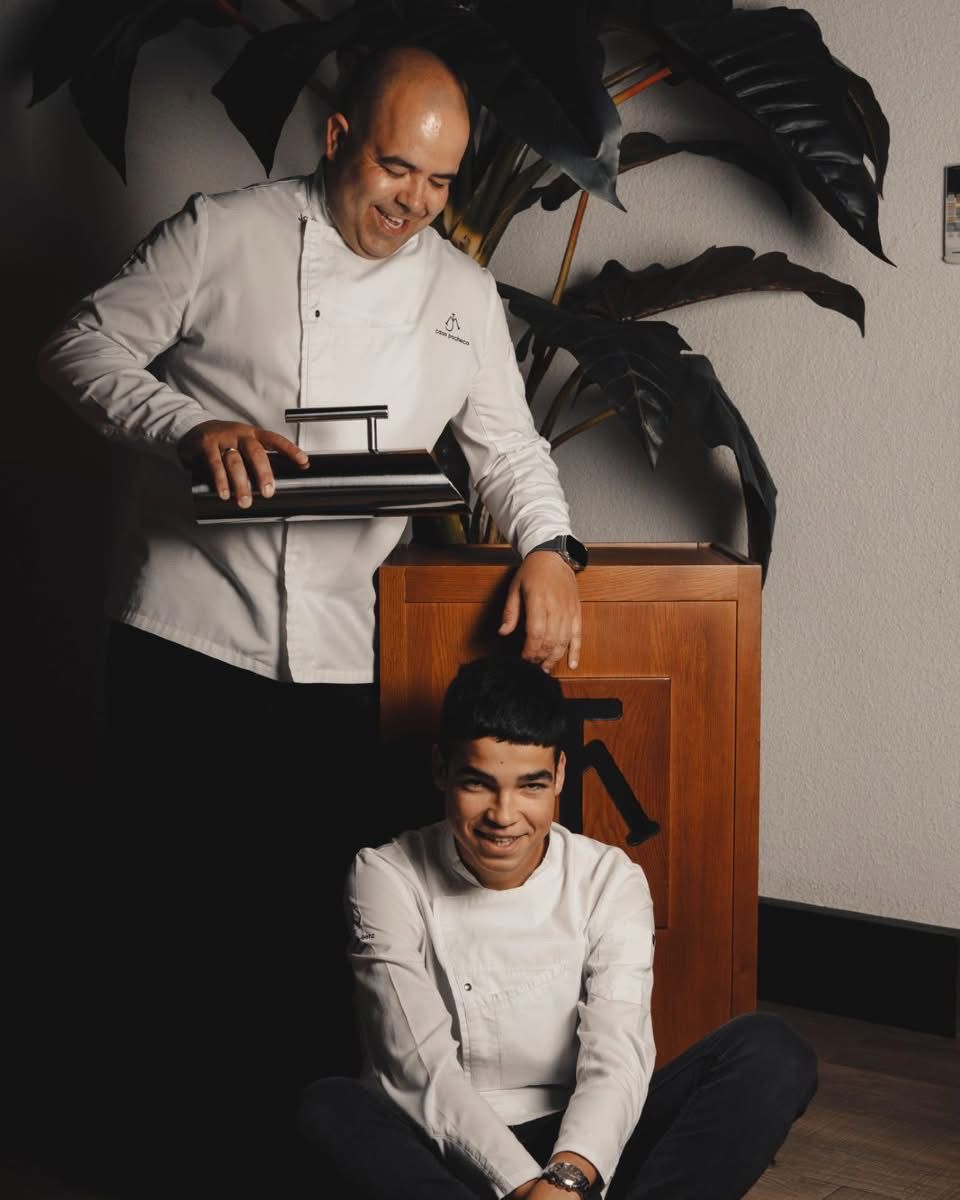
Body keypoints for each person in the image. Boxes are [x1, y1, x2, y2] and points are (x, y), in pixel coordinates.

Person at [36, 44, 587, 1191]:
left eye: (439, 181)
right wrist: (185, 426)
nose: (415, 202)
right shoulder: (221, 231)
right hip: (191, 639)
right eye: (395, 168)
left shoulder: (459, 291)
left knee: (329, 942)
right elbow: (78, 344)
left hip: (348, 663)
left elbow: (508, 450)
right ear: (338, 137)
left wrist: (550, 548)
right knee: (192, 934)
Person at [300, 656, 818, 1200]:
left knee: (771, 1053)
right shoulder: (385, 875)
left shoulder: (609, 878)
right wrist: (531, 1188)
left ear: (561, 777)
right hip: (447, 1149)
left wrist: (568, 1175)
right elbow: (417, 1065)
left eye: (530, 786)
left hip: (581, 1145)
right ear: (441, 771)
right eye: (478, 784)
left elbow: (617, 1052)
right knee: (328, 1106)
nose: (504, 815)